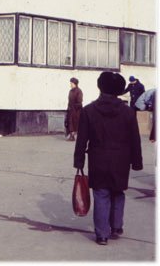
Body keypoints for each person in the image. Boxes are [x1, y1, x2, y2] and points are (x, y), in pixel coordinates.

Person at [74, 72, 143, 246]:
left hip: (98, 159)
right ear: (120, 91)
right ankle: (116, 226)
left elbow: (82, 139)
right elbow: (135, 139)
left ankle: (102, 235)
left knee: (101, 194)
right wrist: (137, 162)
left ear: (100, 87)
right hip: (121, 160)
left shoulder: (89, 110)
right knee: (118, 192)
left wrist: (79, 161)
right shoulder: (128, 112)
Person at [66, 77, 83, 142]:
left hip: (76, 111)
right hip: (70, 110)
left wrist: (74, 108)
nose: (70, 85)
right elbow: (69, 101)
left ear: (74, 84)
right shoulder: (70, 91)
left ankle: (74, 136)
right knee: (70, 123)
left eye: (71, 83)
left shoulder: (79, 91)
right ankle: (71, 136)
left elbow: (79, 102)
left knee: (75, 123)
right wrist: (68, 108)